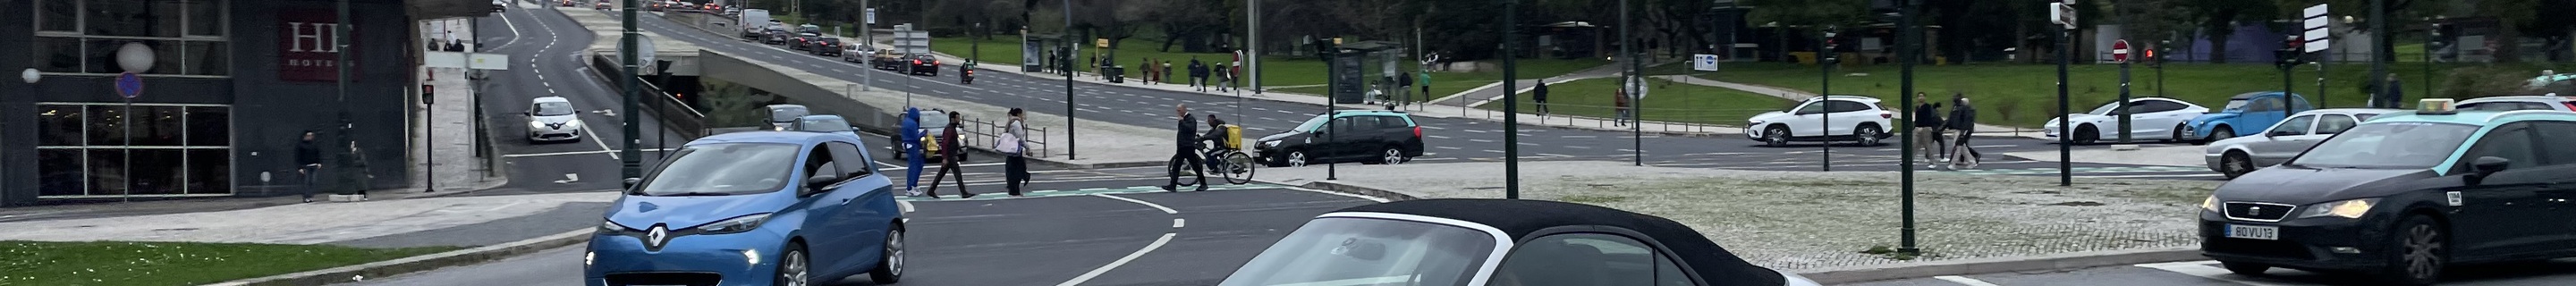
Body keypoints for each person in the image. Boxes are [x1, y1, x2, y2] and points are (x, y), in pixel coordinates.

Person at [924, 111, 977, 198]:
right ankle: (963, 192)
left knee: (942, 173)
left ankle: (931, 190)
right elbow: (945, 143)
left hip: (950, 155)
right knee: (957, 174)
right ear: (953, 119)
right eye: (957, 118)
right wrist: (945, 157)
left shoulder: (952, 128)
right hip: (950, 155)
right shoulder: (949, 129)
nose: (959, 120)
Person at [1165, 105, 1207, 192]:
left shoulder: (1191, 119)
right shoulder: (1184, 119)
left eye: (1179, 110)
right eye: (1177, 110)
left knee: (1195, 166)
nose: (1178, 112)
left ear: (1184, 110)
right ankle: (1172, 186)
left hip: (1188, 146)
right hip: (1182, 146)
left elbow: (1190, 129)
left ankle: (1203, 184)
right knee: (1176, 166)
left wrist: (1181, 122)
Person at [1945, 95, 1981, 170]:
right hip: (1959, 129)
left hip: (1963, 130)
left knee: (1957, 146)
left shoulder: (1966, 110)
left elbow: (1967, 121)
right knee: (1962, 147)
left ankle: (1953, 163)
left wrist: (1963, 132)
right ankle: (1971, 161)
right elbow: (1953, 119)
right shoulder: (1957, 109)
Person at [1001, 108, 1031, 197]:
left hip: (1011, 149)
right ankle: (1022, 180)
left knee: (1012, 169)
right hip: (1015, 149)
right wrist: (1028, 147)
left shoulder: (1010, 122)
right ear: (1018, 114)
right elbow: (1020, 138)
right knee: (1017, 169)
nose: (1023, 116)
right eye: (1022, 114)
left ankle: (1014, 188)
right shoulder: (1017, 123)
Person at [1911, 93, 1946, 164]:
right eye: (1919, 96)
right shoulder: (1917, 107)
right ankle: (1910, 159)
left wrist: (1928, 127)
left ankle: (1932, 161)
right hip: (1918, 128)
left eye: (1922, 96)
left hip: (1926, 128)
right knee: (1915, 144)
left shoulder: (1927, 107)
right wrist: (1915, 127)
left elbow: (1929, 118)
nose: (1920, 98)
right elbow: (1917, 118)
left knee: (1928, 145)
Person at [900, 107, 926, 196]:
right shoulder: (912, 123)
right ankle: (911, 187)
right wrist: (924, 133)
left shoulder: (906, 121)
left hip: (908, 144)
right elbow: (916, 136)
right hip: (913, 144)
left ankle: (912, 186)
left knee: (915, 165)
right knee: (915, 166)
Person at [295, 130, 324, 203]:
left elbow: (318, 153)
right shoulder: (301, 145)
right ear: (305, 136)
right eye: (308, 135)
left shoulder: (314, 145)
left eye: (311, 135)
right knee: (306, 182)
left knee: (313, 181)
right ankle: (306, 196)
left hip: (314, 165)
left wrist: (319, 162)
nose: (310, 137)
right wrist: (300, 167)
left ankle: (310, 195)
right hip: (306, 166)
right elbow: (298, 157)